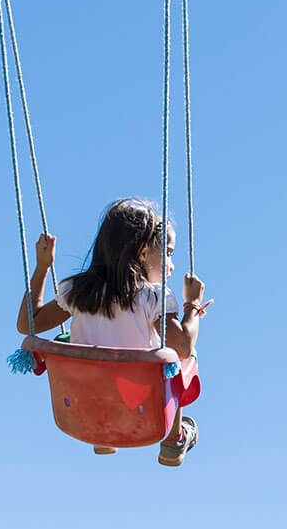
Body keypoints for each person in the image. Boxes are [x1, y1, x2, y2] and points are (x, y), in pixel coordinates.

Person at [15, 198, 207, 465]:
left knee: (81, 346)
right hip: (141, 404)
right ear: (142, 252)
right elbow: (183, 344)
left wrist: (42, 267)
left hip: (86, 405)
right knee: (180, 359)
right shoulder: (153, 298)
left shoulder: (79, 293)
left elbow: (28, 324)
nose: (171, 265)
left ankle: (103, 436)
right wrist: (192, 305)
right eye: (168, 253)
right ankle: (173, 440)